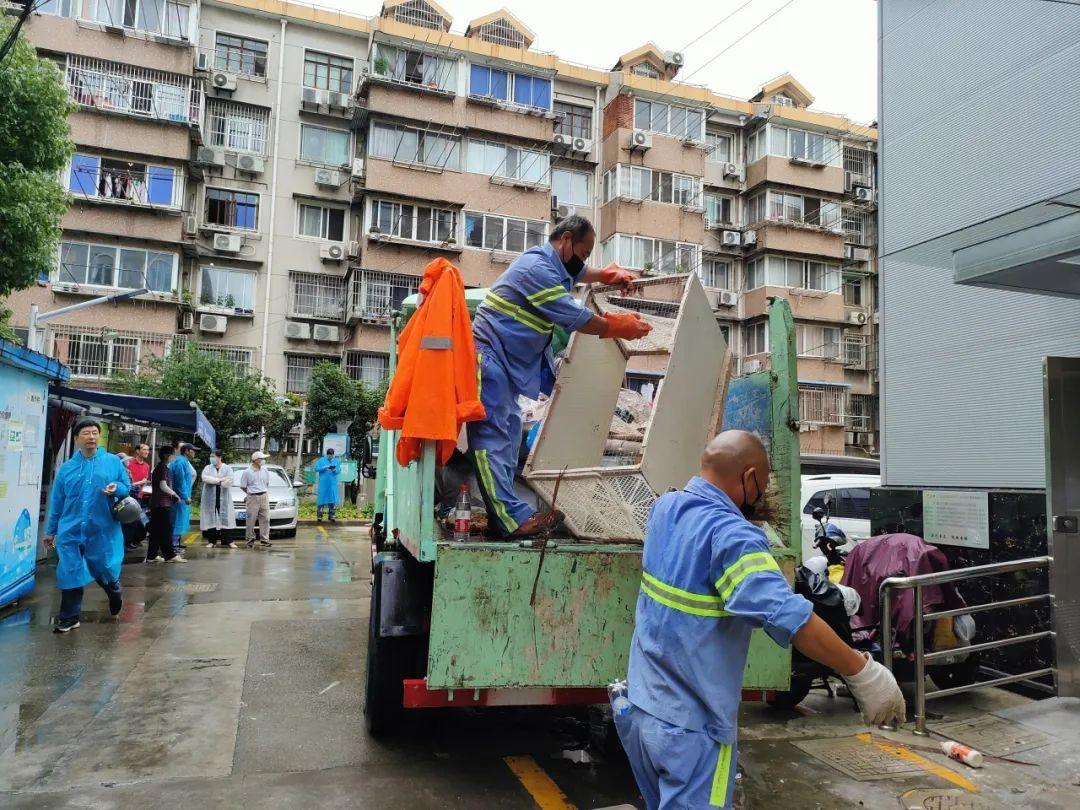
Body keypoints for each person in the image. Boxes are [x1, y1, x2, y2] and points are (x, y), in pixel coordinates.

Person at [616, 430, 905, 809]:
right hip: (692, 729)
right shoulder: (732, 536)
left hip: (641, 709)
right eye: (763, 485)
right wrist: (864, 674)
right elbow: (792, 619)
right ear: (749, 477)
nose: (762, 495)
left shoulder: (665, 509)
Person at [468, 215, 652, 537]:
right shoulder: (536, 270)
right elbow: (577, 317)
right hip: (489, 356)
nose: (583, 262)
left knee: (508, 435)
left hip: (504, 362)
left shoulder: (554, 264)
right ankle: (510, 522)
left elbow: (580, 272)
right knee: (492, 438)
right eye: (583, 252)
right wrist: (617, 326)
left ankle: (506, 519)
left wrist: (606, 275)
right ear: (566, 240)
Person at [43, 418, 131, 632]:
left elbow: (126, 487)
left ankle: (113, 589)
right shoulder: (67, 469)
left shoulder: (112, 462)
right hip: (71, 529)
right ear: (76, 439)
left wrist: (116, 487)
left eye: (94, 433)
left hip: (102, 528)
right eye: (86, 433)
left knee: (103, 567)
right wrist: (51, 531)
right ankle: (69, 617)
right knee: (70, 570)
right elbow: (57, 501)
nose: (91, 437)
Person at [147, 445, 184, 564]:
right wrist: (175, 494)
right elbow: (163, 486)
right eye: (172, 454)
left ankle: (151, 556)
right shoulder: (162, 468)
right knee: (166, 530)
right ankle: (170, 556)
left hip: (157, 504)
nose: (174, 457)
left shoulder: (161, 467)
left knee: (156, 531)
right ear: (167, 455)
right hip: (161, 504)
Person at [200, 449, 236, 548]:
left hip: (223, 496)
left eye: (213, 456)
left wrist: (215, 481)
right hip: (210, 497)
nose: (211, 458)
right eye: (211, 456)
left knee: (225, 518)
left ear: (219, 457)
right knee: (211, 518)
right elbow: (205, 478)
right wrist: (220, 480)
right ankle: (212, 541)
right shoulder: (208, 468)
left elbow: (229, 481)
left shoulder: (227, 468)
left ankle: (228, 541)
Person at [239, 451, 272, 548]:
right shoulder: (247, 472)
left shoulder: (265, 470)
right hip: (252, 497)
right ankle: (250, 539)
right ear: (256, 460)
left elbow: (267, 483)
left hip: (264, 496)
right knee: (251, 519)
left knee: (265, 518)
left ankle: (265, 540)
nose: (263, 461)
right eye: (262, 459)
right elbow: (243, 486)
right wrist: (250, 493)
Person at [122, 443, 152, 551]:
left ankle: (132, 540)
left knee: (140, 520)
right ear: (137, 451)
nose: (146, 452)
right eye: (144, 449)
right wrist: (140, 482)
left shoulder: (147, 466)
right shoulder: (129, 463)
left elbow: (143, 483)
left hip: (140, 497)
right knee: (128, 520)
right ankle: (126, 542)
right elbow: (128, 482)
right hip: (128, 495)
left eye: (147, 450)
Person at [168, 443, 196, 555]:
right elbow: (180, 481)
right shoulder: (180, 462)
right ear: (187, 451)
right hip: (179, 498)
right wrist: (185, 496)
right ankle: (173, 546)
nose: (194, 452)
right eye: (193, 450)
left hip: (180, 497)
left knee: (179, 520)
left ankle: (176, 544)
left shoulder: (182, 461)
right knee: (177, 521)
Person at [314, 448, 341, 523]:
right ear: (327, 454)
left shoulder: (336, 461)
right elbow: (316, 468)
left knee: (332, 499)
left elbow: (338, 470)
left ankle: (331, 516)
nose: (330, 457)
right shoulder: (321, 460)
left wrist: (334, 470)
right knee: (321, 500)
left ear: (333, 455)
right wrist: (324, 467)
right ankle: (319, 516)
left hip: (332, 483)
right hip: (323, 484)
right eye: (329, 456)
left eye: (331, 456)